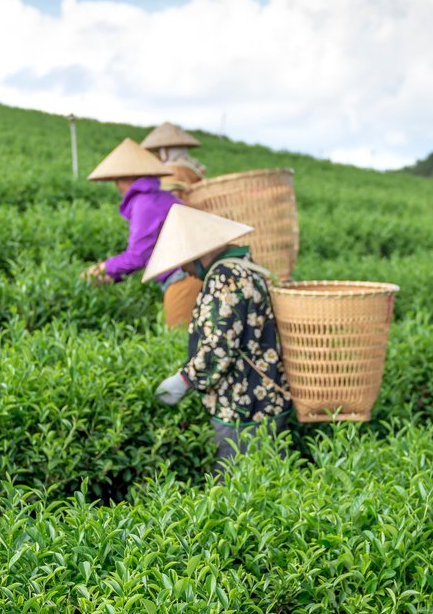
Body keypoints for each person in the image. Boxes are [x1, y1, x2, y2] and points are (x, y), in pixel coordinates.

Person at [146, 204, 292, 475]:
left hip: (241, 406)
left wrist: (185, 379)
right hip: (268, 399)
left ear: (200, 253)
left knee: (234, 490)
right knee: (272, 483)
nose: (185, 270)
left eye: (184, 260)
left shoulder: (223, 278)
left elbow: (219, 347)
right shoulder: (246, 267)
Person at [82, 138, 198, 328]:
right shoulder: (156, 197)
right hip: (190, 272)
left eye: (117, 180)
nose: (117, 186)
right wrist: (113, 275)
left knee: (179, 339)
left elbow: (137, 256)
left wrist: (101, 269)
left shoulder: (145, 203)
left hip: (186, 276)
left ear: (127, 179)